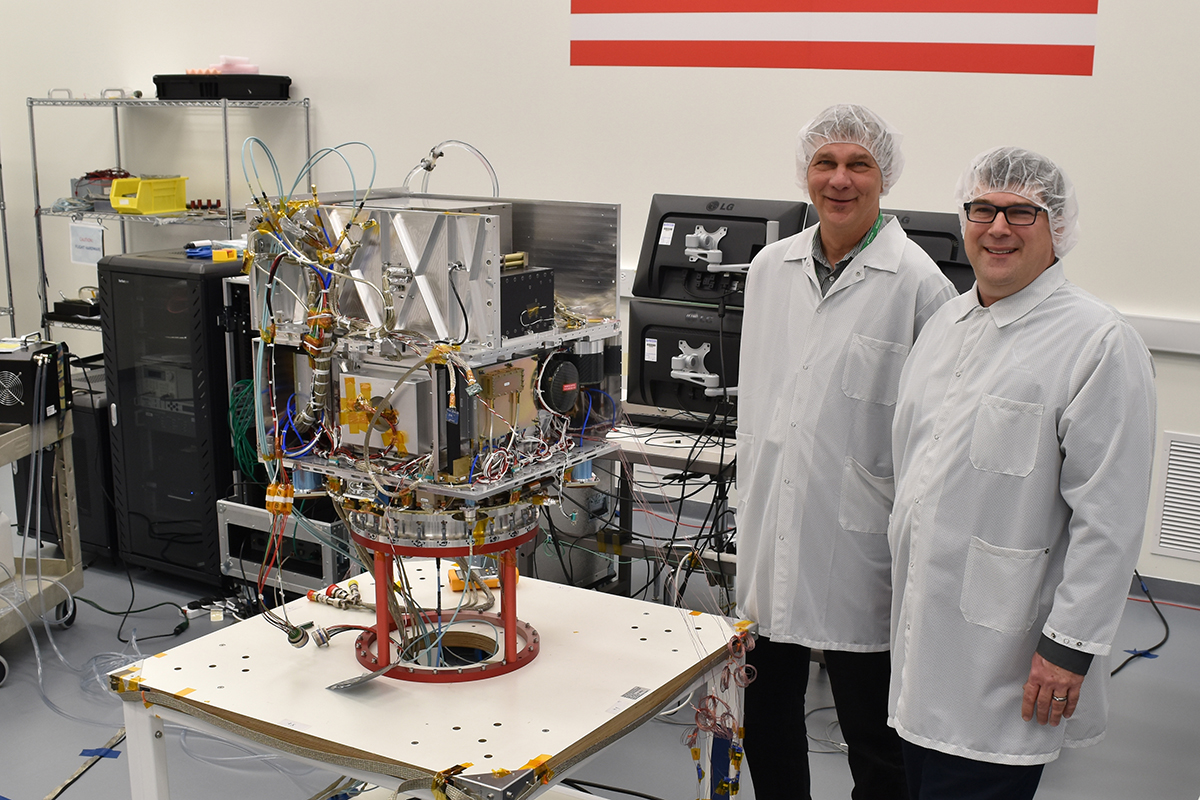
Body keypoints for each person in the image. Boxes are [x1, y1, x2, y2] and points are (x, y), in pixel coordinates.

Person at [886, 147, 1157, 799]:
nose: (997, 226)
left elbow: (1109, 519)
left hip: (1010, 658)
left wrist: (1069, 648)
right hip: (921, 644)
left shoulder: (1097, 342)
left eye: (1021, 212)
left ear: (1057, 228)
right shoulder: (945, 324)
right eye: (982, 208)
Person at [736, 104, 956, 799]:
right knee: (767, 712)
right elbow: (762, 398)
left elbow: (933, 430)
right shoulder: (772, 268)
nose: (840, 179)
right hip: (775, 515)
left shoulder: (921, 286)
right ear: (805, 172)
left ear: (883, 175)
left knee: (874, 729)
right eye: (825, 163)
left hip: (866, 535)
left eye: (857, 164)